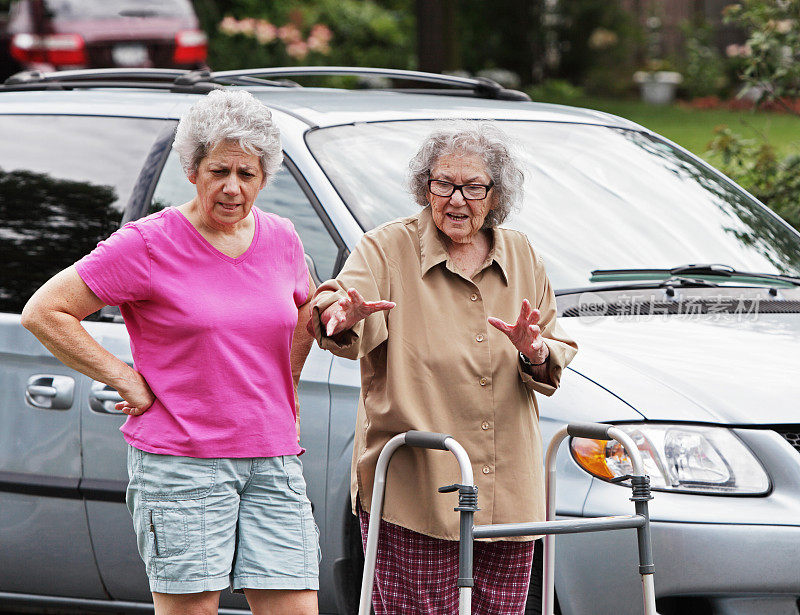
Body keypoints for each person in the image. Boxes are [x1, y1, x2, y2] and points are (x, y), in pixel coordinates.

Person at [21, 90, 319, 615]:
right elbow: (45, 311)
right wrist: (125, 378)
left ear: (264, 177)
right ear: (192, 169)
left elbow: (301, 318)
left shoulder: (282, 237)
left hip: (272, 458)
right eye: (218, 170)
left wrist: (286, 395)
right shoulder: (148, 243)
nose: (232, 187)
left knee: (294, 606)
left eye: (246, 174)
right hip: (182, 461)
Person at [308, 122, 578, 614]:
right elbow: (337, 307)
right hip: (418, 495)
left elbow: (552, 350)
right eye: (443, 184)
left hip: (509, 497)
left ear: (496, 195)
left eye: (474, 187)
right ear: (424, 187)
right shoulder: (386, 249)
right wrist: (337, 316)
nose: (457, 200)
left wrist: (534, 352)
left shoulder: (522, 255)